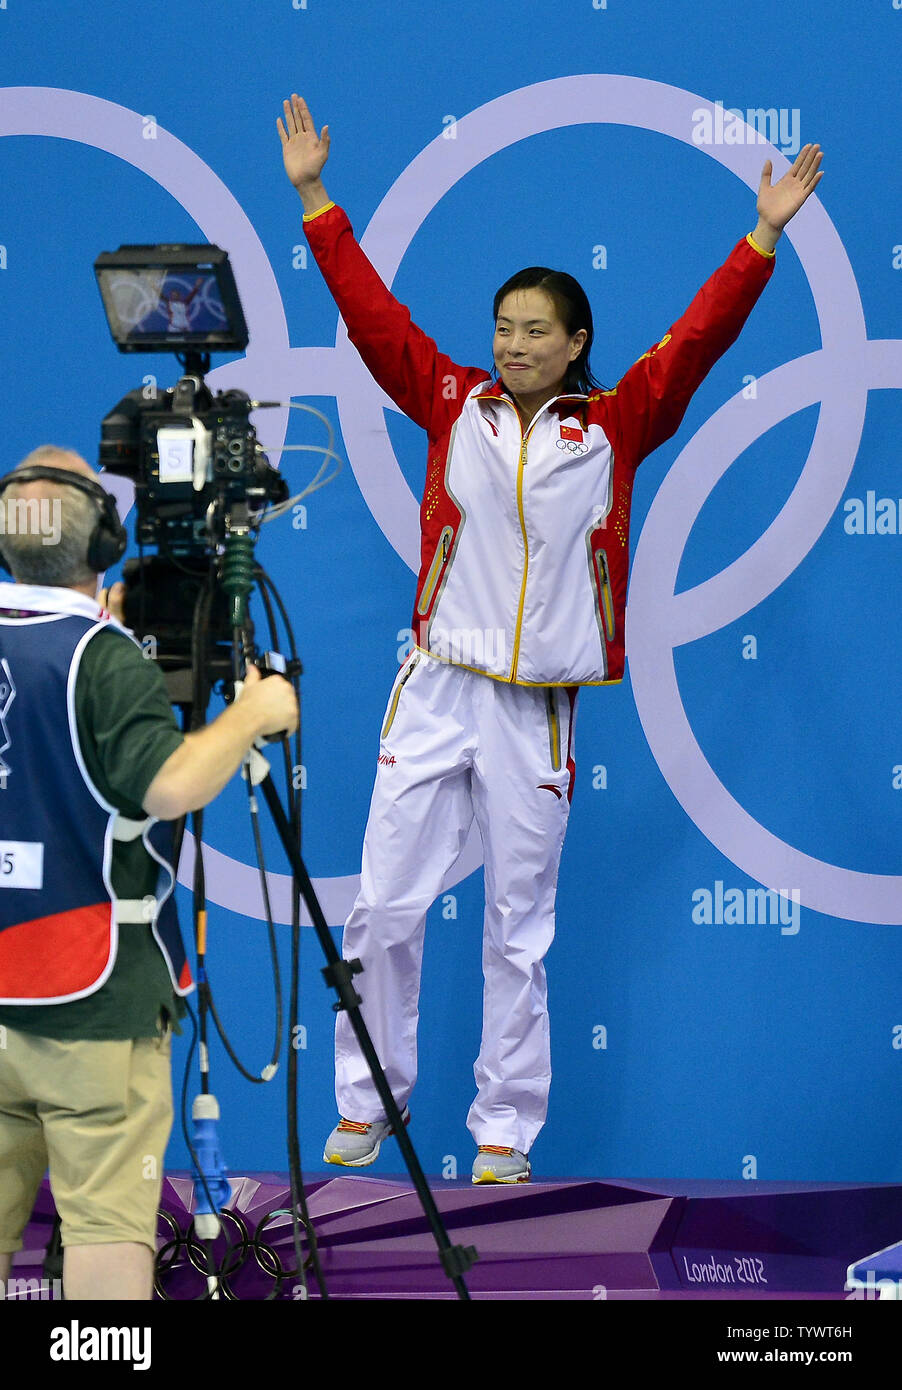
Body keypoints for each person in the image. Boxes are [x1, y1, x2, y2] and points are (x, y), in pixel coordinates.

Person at [278, 92, 823, 1184]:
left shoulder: (615, 427)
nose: (513, 346)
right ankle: (369, 1098)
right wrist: (314, 200)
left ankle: (499, 1130)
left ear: (576, 343)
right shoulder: (449, 402)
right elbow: (374, 317)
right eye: (502, 328)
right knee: (382, 904)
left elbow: (698, 341)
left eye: (536, 332)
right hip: (436, 686)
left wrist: (760, 236)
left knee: (515, 930)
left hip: (537, 711)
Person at [0, 446, 298, 1299]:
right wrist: (251, 714)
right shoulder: (102, 660)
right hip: (90, 1005)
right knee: (104, 1231)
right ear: (103, 541)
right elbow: (171, 786)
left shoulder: (97, 650)